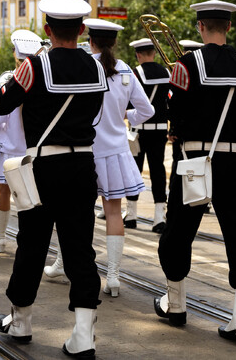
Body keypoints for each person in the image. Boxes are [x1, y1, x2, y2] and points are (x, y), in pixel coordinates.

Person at [0, 0, 107, 358]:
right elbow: (97, 116)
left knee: (32, 244)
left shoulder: (34, 66)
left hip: (43, 166)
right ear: (82, 30)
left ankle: (22, 320)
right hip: (82, 166)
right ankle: (83, 334)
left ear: (47, 29)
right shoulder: (97, 67)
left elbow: (1, 104)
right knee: (79, 249)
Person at [155, 0, 236, 345]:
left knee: (179, 231)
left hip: (196, 159)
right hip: (234, 161)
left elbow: (174, 110)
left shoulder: (186, 64)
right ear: (228, 27)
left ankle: (176, 303)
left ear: (200, 27)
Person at [82, 19, 153, 297]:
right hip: (114, 152)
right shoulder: (125, 70)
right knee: (113, 212)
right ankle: (113, 276)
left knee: (79, 213)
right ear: (114, 43)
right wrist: (126, 116)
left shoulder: (84, 65)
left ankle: (71, 266)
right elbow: (146, 111)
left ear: (91, 41)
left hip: (86, 150)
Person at [0, 29, 42, 253]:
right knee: (29, 197)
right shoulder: (41, 77)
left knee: (5, 192)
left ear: (16, 52)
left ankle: (0, 237)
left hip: (9, 147)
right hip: (31, 148)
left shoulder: (9, 78)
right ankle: (27, 241)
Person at [126, 37, 171, 233]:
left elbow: (128, 102)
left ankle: (131, 214)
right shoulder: (167, 73)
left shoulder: (136, 73)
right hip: (160, 129)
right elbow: (172, 103)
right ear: (154, 53)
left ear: (138, 54)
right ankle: (159, 217)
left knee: (135, 170)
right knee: (158, 171)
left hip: (138, 131)